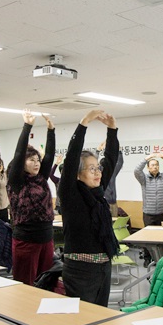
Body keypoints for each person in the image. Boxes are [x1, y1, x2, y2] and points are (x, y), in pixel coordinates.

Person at [58, 110, 120, 306]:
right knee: (82, 321)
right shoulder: (70, 195)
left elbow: (110, 159)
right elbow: (71, 159)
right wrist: (84, 123)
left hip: (103, 267)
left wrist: (112, 129)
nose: (98, 172)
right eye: (91, 168)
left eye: (97, 168)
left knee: (101, 318)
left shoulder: (98, 195)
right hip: (80, 270)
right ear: (78, 174)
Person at [7, 110, 56, 285]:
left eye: (37, 160)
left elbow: (49, 157)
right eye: (31, 160)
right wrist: (27, 127)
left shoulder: (41, 178)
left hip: (46, 237)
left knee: (45, 281)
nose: (36, 163)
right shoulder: (16, 181)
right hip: (26, 239)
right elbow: (19, 154)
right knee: (25, 284)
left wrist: (51, 131)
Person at [134, 152, 163, 263]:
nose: (155, 167)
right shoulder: (143, 179)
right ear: (148, 167)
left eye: (156, 165)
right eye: (152, 165)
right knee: (148, 237)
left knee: (161, 237)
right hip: (148, 213)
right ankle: (147, 258)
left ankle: (161, 259)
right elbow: (137, 171)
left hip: (161, 213)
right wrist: (146, 159)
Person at [96, 141, 124, 217]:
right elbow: (93, 164)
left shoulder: (112, 173)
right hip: (102, 203)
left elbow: (120, 163)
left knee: (113, 226)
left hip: (113, 203)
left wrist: (119, 151)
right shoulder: (97, 174)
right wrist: (97, 151)